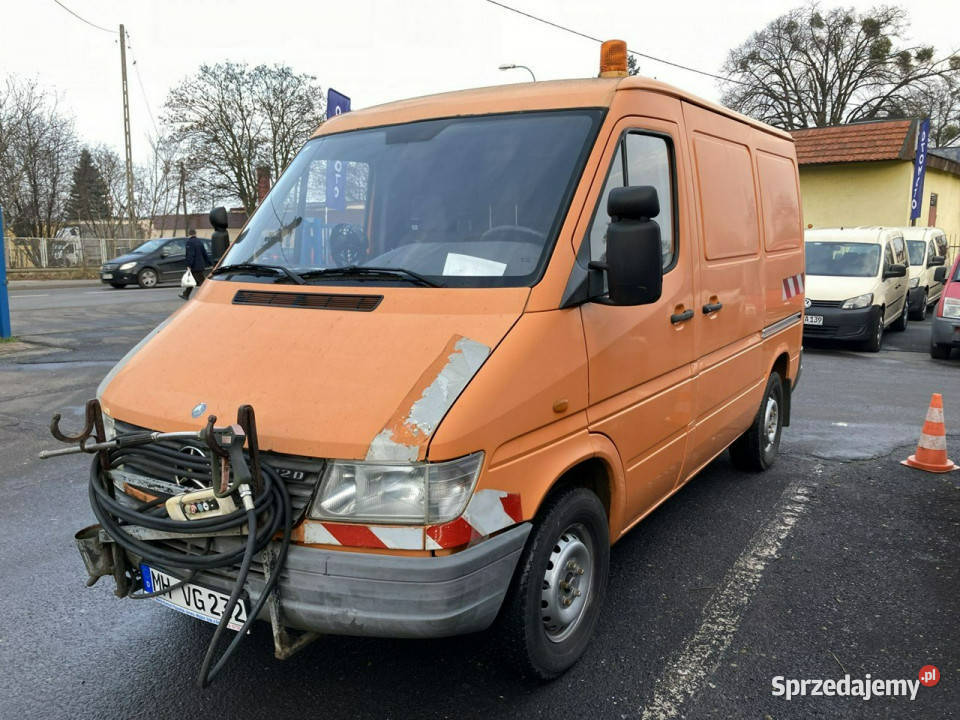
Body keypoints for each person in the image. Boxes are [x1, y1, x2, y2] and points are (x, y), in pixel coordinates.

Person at [181, 228, 212, 299]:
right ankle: (186, 294)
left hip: (195, 266)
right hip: (200, 265)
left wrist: (189, 265)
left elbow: (190, 255)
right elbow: (204, 253)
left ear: (189, 234)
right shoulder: (199, 241)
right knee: (193, 280)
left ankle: (209, 294)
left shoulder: (190, 242)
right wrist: (209, 263)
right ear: (195, 233)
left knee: (202, 282)